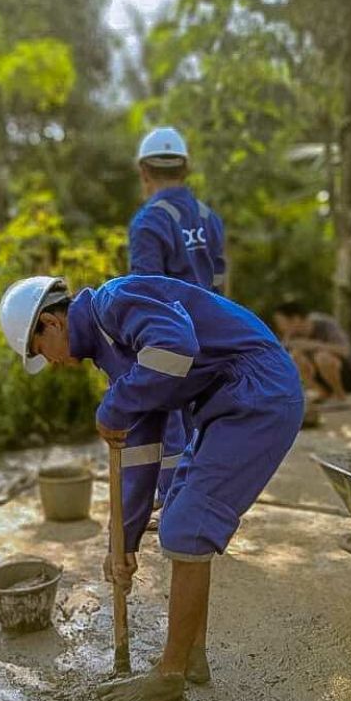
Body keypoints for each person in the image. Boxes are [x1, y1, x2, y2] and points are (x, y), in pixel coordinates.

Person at [0, 274, 304, 701]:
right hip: (227, 403)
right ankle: (192, 651)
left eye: (39, 351)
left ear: (50, 323)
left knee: (186, 529)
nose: (53, 363)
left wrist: (116, 406)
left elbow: (175, 348)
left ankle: (169, 676)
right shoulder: (113, 357)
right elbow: (138, 453)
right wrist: (122, 541)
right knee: (180, 508)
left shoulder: (115, 303)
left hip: (258, 392)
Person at [128, 127, 228, 508]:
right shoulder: (209, 218)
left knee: (169, 425)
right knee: (199, 424)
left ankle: (174, 505)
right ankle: (198, 499)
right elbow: (219, 284)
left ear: (144, 172)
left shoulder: (149, 222)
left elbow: (145, 293)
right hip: (211, 335)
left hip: (169, 337)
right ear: (185, 170)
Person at [271, 301, 351, 409]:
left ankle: (340, 396)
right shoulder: (291, 335)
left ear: (296, 319)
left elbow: (344, 351)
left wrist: (311, 345)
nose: (279, 327)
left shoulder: (325, 324)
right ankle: (322, 393)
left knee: (322, 357)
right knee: (294, 357)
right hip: (322, 378)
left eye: (281, 322)